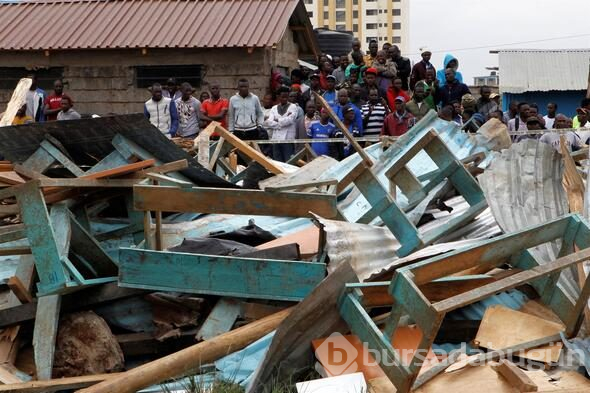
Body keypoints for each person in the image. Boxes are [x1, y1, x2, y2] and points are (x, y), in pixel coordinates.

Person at [265, 86, 298, 162]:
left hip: (288, 140)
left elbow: (290, 120)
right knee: (277, 162)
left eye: (287, 97)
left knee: (289, 161)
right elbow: (269, 122)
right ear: (278, 97)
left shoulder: (293, 107)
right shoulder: (274, 108)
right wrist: (281, 122)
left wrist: (277, 120)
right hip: (276, 139)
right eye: (283, 97)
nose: (285, 99)